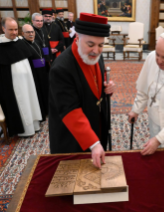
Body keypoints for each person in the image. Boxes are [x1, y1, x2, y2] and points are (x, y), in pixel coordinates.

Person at [49, 13, 116, 168]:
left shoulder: (95, 54)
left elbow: (95, 84)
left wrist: (107, 88)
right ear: (77, 38)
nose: (96, 50)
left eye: (100, 45)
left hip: (95, 123)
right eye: (90, 44)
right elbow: (69, 110)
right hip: (73, 134)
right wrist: (92, 142)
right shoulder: (61, 68)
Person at [0, 17, 42, 137]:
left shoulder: (20, 42)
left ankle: (35, 125)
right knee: (22, 103)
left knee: (31, 100)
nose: (14, 32)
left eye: (16, 29)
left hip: (28, 82)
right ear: (3, 29)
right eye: (11, 29)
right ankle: (26, 130)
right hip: (15, 84)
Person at [22, 24, 49, 121]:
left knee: (45, 91)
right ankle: (41, 113)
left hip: (42, 70)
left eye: (32, 32)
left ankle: (47, 110)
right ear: (23, 33)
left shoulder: (37, 41)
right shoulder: (22, 45)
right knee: (37, 93)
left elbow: (42, 53)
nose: (31, 34)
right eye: (28, 32)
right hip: (33, 73)